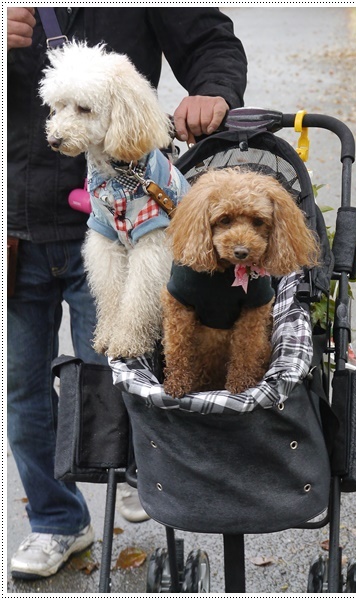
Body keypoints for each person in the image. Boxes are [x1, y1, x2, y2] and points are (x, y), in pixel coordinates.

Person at [7, 6, 247, 579]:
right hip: (16, 221)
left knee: (120, 370)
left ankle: (138, 473)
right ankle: (56, 521)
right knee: (24, 392)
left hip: (124, 221)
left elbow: (211, 42)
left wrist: (213, 91)